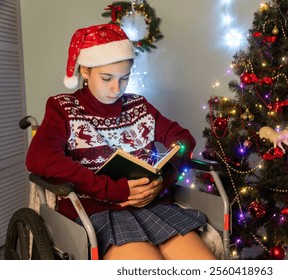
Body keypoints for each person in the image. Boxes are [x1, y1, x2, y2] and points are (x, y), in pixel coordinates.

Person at [26, 23, 216, 260]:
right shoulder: (63, 108)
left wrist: (163, 180)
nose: (116, 89)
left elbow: (183, 139)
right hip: (97, 211)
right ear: (85, 70)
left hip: (152, 206)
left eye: (124, 78)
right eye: (107, 78)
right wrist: (111, 189)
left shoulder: (138, 106)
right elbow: (39, 158)